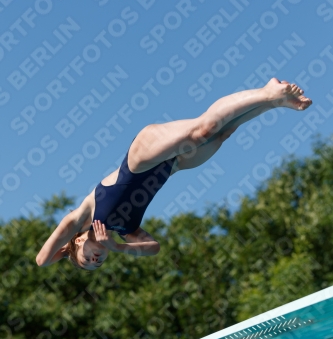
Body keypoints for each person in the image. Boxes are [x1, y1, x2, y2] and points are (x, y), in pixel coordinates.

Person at [36, 78, 312, 270]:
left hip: (141, 157)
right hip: (173, 166)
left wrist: (68, 250)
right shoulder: (125, 231)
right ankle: (273, 100)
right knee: (221, 135)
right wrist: (117, 247)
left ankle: (269, 93)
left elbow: (42, 260)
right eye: (98, 263)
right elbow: (153, 247)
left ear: (79, 242)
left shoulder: (80, 218)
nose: (95, 261)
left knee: (202, 130)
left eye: (87, 260)